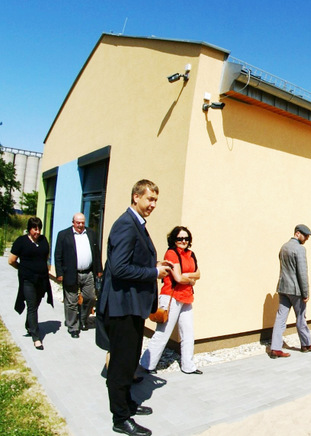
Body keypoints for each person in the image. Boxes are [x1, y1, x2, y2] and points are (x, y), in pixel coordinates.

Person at [97, 180, 172, 436]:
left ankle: (126, 403)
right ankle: (120, 419)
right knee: (121, 364)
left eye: (155, 201)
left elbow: (132, 260)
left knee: (129, 361)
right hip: (122, 307)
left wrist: (155, 264)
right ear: (135, 197)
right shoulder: (126, 225)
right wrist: (153, 271)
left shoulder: (136, 224)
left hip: (131, 306)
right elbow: (118, 268)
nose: (152, 205)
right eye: (149, 199)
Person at [140, 226, 201, 375]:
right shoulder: (171, 253)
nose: (183, 241)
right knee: (163, 332)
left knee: (188, 332)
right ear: (174, 239)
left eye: (186, 238)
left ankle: (188, 365)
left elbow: (198, 273)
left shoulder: (191, 254)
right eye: (180, 238)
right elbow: (178, 278)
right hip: (171, 296)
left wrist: (187, 276)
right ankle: (147, 364)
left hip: (186, 296)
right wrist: (191, 280)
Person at [269, 224, 311, 358]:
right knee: (301, 317)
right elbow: (302, 273)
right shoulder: (300, 249)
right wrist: (306, 293)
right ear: (298, 233)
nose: (307, 238)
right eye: (306, 235)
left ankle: (275, 348)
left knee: (280, 318)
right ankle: (306, 344)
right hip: (296, 290)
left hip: (283, 288)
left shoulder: (283, 247)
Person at [54, 213, 103, 338]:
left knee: (91, 297)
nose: (80, 225)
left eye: (82, 222)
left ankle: (82, 319)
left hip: (88, 272)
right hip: (71, 273)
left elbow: (96, 253)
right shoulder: (63, 235)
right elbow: (58, 255)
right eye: (78, 223)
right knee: (71, 302)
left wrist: (99, 269)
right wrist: (59, 273)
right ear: (73, 222)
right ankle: (73, 327)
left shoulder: (91, 233)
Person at [8, 217, 54, 350]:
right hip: (28, 279)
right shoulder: (21, 241)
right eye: (35, 229)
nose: (38, 231)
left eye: (39, 228)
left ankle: (29, 324)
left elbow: (45, 257)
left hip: (41, 279)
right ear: (29, 229)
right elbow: (11, 260)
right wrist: (23, 269)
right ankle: (36, 337)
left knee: (37, 303)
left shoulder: (43, 240)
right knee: (32, 305)